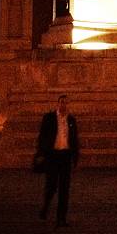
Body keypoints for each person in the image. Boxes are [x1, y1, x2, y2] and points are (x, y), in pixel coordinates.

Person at [38, 95, 80, 227]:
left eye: (66, 103)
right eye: (62, 102)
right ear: (58, 103)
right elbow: (42, 136)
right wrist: (42, 153)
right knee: (51, 186)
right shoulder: (49, 118)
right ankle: (46, 205)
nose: (64, 105)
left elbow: (74, 139)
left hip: (66, 156)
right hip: (53, 155)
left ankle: (61, 218)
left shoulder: (71, 120)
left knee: (64, 189)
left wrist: (75, 157)